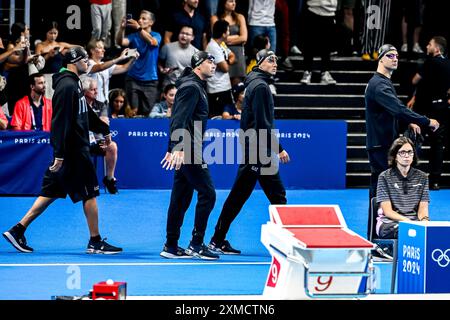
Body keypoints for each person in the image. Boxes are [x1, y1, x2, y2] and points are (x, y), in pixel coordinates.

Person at [2, 47, 122, 254]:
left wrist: (104, 130)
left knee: (50, 193)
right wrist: (59, 153)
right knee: (90, 194)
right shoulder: (67, 86)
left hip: (72, 150)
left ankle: (17, 230)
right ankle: (95, 241)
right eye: (85, 60)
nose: (88, 63)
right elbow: (60, 123)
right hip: (73, 152)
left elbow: (85, 116)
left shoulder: (74, 84)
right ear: (75, 62)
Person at [208, 49, 290, 254]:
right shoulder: (261, 86)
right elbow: (263, 123)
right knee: (272, 196)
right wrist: (278, 148)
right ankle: (288, 241)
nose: (275, 63)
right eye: (270, 60)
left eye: (276, 60)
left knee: (251, 195)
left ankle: (217, 239)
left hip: (254, 148)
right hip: (258, 151)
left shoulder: (253, 81)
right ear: (260, 63)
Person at [365, 43, 438, 238]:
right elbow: (397, 109)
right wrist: (425, 121)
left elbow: (391, 113)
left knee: (379, 193)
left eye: (396, 55)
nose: (395, 58)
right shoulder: (379, 84)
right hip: (381, 147)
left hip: (384, 143)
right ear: (380, 58)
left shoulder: (384, 82)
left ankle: (377, 239)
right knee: (379, 194)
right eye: (390, 55)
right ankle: (376, 241)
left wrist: (407, 126)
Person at [160, 51, 219, 260]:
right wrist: (178, 148)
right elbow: (178, 118)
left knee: (180, 198)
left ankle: (171, 245)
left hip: (188, 147)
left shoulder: (195, 85)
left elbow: (188, 117)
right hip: (189, 150)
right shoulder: (192, 87)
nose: (214, 65)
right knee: (208, 194)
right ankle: (196, 244)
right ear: (198, 65)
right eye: (209, 62)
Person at [406, 36, 450, 190]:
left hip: (425, 109)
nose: (426, 46)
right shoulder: (448, 63)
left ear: (436, 48)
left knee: (415, 140)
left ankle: (408, 176)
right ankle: (435, 181)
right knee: (437, 145)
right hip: (442, 108)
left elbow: (415, 80)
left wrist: (415, 95)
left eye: (429, 44)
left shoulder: (430, 62)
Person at [376, 136, 430, 239]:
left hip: (414, 223)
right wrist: (409, 223)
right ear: (395, 156)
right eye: (402, 152)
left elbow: (423, 209)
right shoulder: (384, 177)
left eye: (410, 152)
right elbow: (388, 212)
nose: (407, 156)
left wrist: (424, 222)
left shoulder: (422, 177)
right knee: (405, 231)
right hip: (389, 223)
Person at [116, 10, 161, 116]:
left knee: (149, 114)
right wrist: (122, 28)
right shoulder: (133, 36)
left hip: (150, 80)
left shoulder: (156, 35)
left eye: (144, 18)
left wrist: (139, 28)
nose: (140, 20)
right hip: (133, 79)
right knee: (132, 112)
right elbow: (120, 42)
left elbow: (152, 42)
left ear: (151, 22)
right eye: (139, 18)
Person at [82, 77, 119, 194]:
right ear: (85, 92)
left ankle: (109, 179)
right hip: (82, 141)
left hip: (98, 140)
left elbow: (104, 123)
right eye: (93, 90)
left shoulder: (101, 105)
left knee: (112, 146)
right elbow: (92, 123)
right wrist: (97, 122)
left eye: (96, 89)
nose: (97, 92)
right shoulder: (79, 105)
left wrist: (98, 123)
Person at [85, 39, 138, 104]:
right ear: (92, 50)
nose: (104, 50)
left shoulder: (105, 65)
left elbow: (124, 68)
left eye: (103, 48)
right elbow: (101, 67)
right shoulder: (87, 64)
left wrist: (133, 59)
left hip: (104, 103)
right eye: (100, 48)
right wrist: (120, 58)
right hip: (92, 103)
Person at [299, 0, 338, 85]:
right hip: (313, 9)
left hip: (330, 12)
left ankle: (325, 72)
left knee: (326, 46)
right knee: (309, 43)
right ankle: (307, 71)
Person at [211, 0, 248, 84]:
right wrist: (237, 36)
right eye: (231, 1)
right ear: (223, 3)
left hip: (238, 54)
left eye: (235, 1)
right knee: (222, 84)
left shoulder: (240, 17)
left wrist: (225, 40)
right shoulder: (215, 18)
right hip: (222, 53)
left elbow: (244, 38)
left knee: (237, 88)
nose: (234, 3)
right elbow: (216, 37)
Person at [206, 19, 236, 118]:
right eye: (228, 30)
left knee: (228, 116)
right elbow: (225, 68)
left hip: (225, 87)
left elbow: (232, 56)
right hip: (216, 89)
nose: (229, 33)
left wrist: (226, 61)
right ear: (223, 34)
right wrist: (227, 63)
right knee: (217, 118)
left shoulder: (221, 45)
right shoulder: (212, 47)